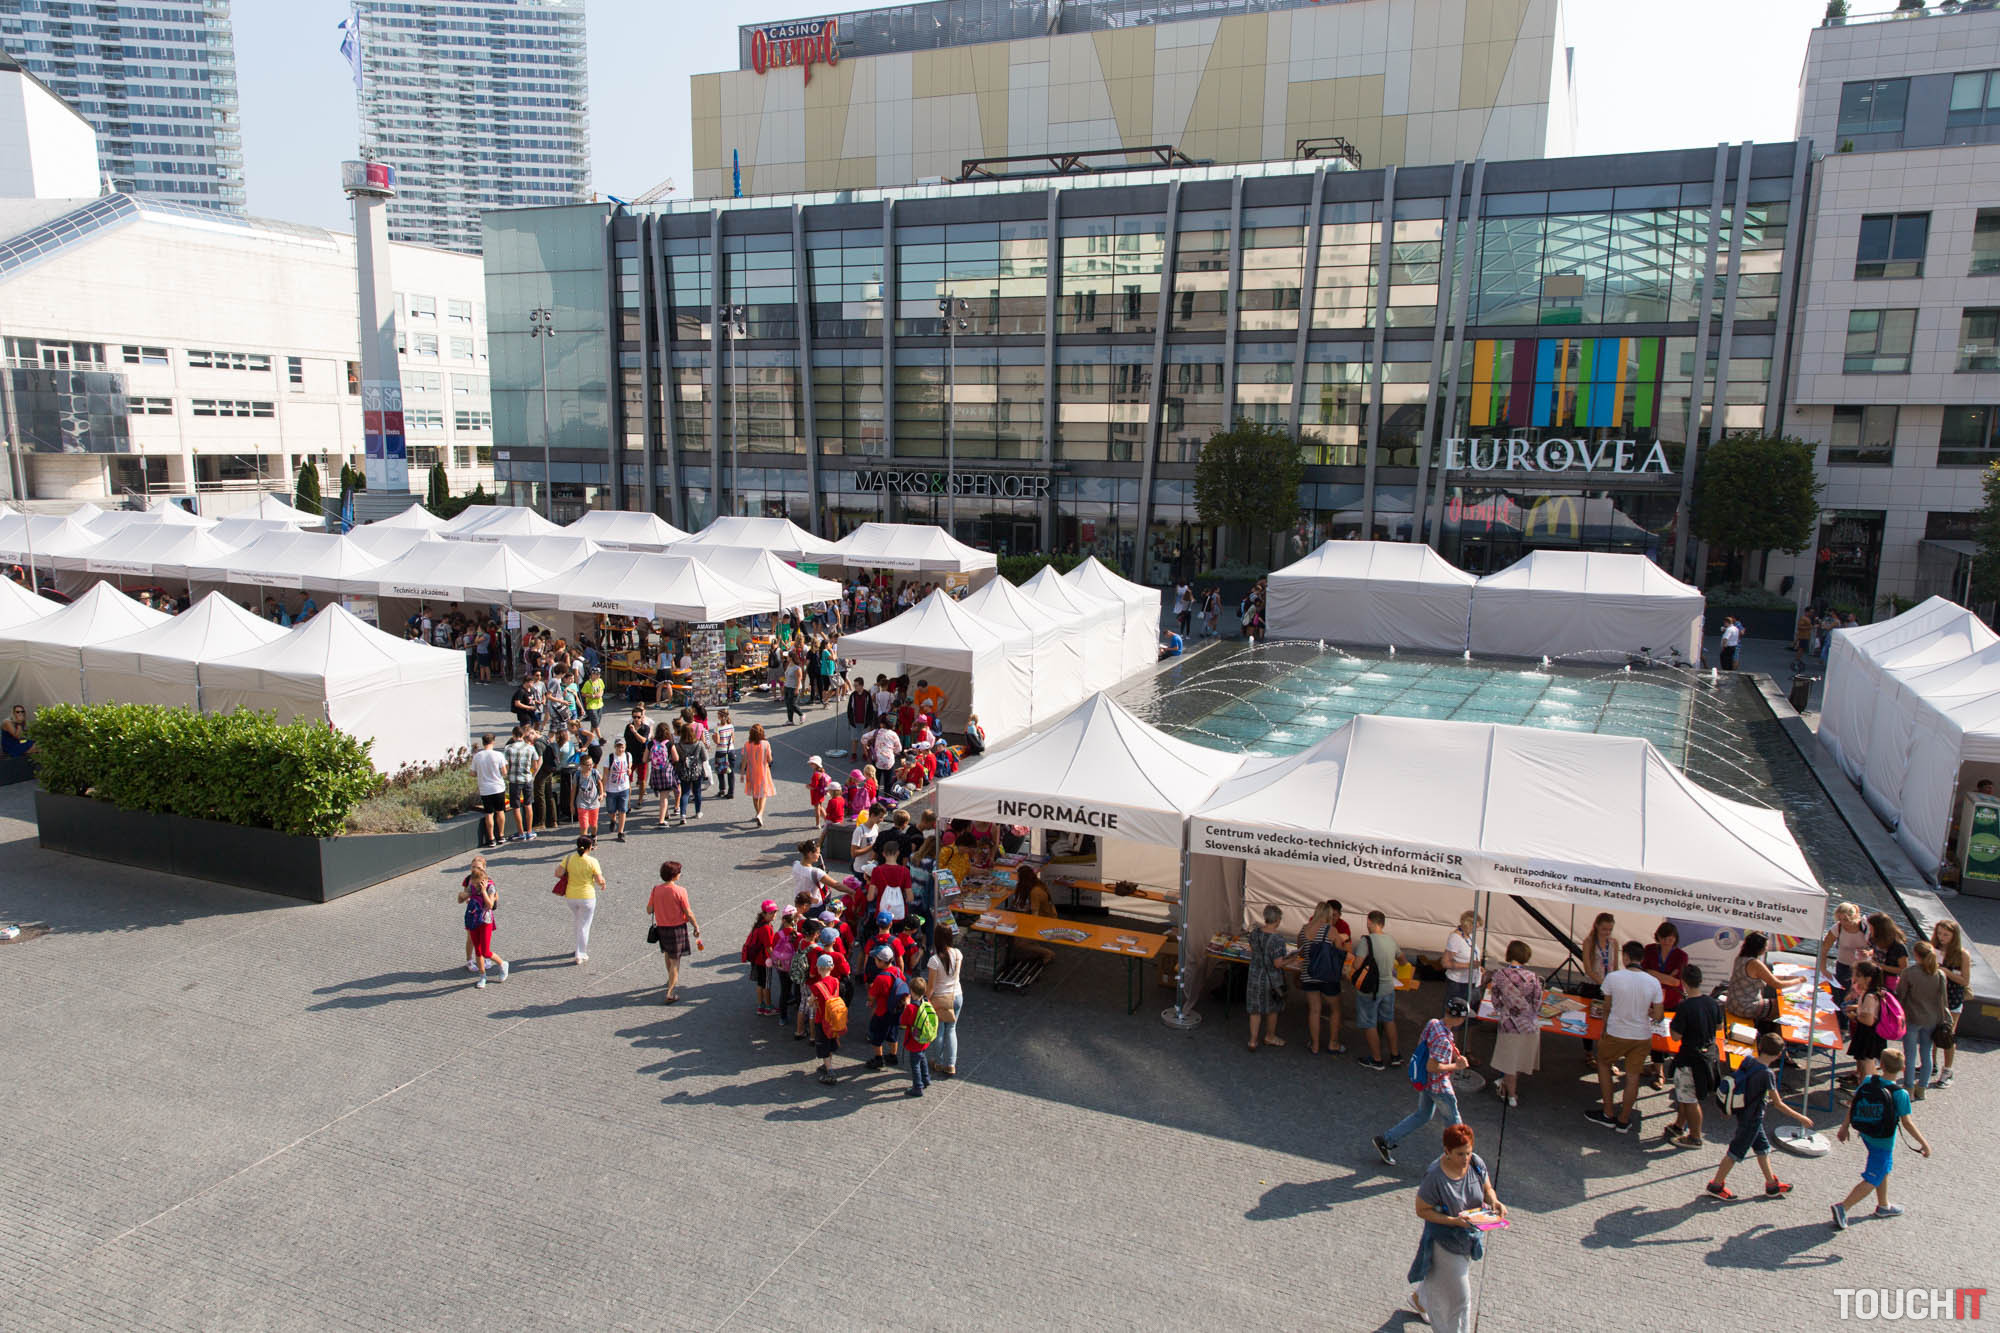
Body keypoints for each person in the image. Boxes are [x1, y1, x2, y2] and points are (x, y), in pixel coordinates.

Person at [1405, 1123, 1506, 1333]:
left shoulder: (1476, 1163)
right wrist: (1453, 1221)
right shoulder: (1435, 1177)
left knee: (1443, 1278)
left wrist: (1494, 1201)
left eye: (1468, 1152)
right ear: (1447, 1151)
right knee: (1461, 1299)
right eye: (1460, 1154)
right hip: (1445, 1242)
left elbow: (1487, 1188)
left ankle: (1420, 1299)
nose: (1466, 1158)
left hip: (1468, 1237)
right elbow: (1422, 1210)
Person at [1705, 1032, 1814, 1200]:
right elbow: (1778, 1103)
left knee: (1762, 1149)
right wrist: (1801, 1118)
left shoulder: (1748, 1060)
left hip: (1744, 1113)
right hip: (1752, 1119)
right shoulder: (1767, 1074)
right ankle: (1716, 1185)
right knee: (1734, 1152)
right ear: (1779, 1054)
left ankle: (1772, 1185)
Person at [1830, 1049, 1931, 1229]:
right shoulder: (1900, 1094)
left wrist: (1844, 1127)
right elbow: (1907, 1123)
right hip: (1883, 1141)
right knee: (1873, 1177)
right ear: (1903, 1069)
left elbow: (1854, 1104)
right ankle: (1843, 1207)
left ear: (1881, 1065)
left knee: (1882, 1169)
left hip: (1866, 1133)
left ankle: (1883, 1206)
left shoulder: (1868, 1080)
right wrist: (1924, 1143)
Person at [1373, 997, 1471, 1166]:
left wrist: (1454, 1054)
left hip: (1426, 1083)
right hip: (1439, 1087)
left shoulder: (1434, 1024)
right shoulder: (1443, 1041)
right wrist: (1456, 1065)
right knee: (1455, 1125)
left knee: (1422, 1115)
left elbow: (1426, 1046)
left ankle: (1386, 1140)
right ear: (1459, 1018)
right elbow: (1432, 1066)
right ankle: (1461, 1160)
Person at [1586, 941, 1665, 1134]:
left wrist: (1604, 1031)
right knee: (1632, 1076)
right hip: (1641, 1035)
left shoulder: (1613, 977)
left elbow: (1607, 1007)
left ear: (1626, 957)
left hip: (1616, 1032)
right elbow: (1658, 1016)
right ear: (1642, 959)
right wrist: (1646, 1011)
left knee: (1604, 1064)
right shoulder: (1653, 982)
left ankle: (1608, 1112)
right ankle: (1623, 1119)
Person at [1665, 964, 1723, 1148]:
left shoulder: (1685, 1007)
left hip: (1690, 1058)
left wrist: (1673, 1025)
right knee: (1684, 1095)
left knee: (1690, 1099)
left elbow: (1676, 1036)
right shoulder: (1712, 1003)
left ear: (1683, 983)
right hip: (1708, 1056)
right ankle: (1679, 1125)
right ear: (1701, 980)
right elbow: (1719, 1026)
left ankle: (1695, 1137)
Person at [1486, 941, 1543, 1109]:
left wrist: (1504, 1009)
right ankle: (1507, 1088)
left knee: (1509, 1061)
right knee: (1519, 1061)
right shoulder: (1533, 977)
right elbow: (1537, 1003)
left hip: (1509, 1024)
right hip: (1528, 1024)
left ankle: (1511, 1095)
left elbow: (1495, 1000)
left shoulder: (1499, 975)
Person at [1350, 910, 1404, 1070]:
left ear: (1369, 922)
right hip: (1388, 988)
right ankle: (1395, 1055)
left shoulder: (1366, 941)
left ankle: (1377, 1059)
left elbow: (1357, 965)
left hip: (1370, 989)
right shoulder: (1391, 939)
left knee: (1369, 1023)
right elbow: (1402, 960)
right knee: (1389, 1020)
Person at [1296, 900, 1351, 1055]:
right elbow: (1340, 950)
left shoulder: (1304, 929)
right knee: (1335, 1010)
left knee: (1314, 1010)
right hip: (1328, 975)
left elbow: (1300, 952)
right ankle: (1333, 1044)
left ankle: (1314, 1045)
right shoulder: (1331, 930)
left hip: (1309, 974)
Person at [1897, 941, 1949, 1098]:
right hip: (1932, 1019)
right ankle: (1922, 1088)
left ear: (1916, 955)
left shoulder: (1909, 973)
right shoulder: (1939, 974)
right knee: (1926, 1053)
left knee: (1910, 1055)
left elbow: (1901, 995)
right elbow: (1943, 1000)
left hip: (1912, 1017)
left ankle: (1908, 1087)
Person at [1640, 922, 1688, 1088]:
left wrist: (1654, 973)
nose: (1667, 942)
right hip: (1651, 999)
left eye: (1671, 939)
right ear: (1658, 937)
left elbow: (1676, 982)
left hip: (1671, 1001)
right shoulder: (1649, 950)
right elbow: (1643, 972)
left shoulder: (1681, 956)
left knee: (1664, 1034)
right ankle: (1658, 1068)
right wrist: (1666, 976)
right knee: (1653, 1033)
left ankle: (1658, 1067)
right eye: (1664, 938)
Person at [646, 860, 700, 1003]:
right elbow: (688, 912)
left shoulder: (656, 889)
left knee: (667, 953)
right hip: (677, 929)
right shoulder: (680, 891)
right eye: (679, 872)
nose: (680, 874)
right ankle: (670, 992)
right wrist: (696, 926)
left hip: (662, 928)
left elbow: (649, 910)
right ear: (674, 875)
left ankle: (669, 978)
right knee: (675, 961)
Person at [455, 855, 508, 985]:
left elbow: (490, 905)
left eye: (478, 867)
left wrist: (483, 891)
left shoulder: (490, 885)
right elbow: (461, 898)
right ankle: (482, 976)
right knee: (478, 951)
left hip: (485, 920)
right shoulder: (470, 881)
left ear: (484, 868)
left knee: (485, 951)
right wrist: (464, 896)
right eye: (473, 867)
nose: (474, 870)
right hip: (473, 918)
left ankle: (502, 964)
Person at [1244, 905, 1290, 1051]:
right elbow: (1278, 963)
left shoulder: (1255, 933)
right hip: (1272, 979)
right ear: (1277, 919)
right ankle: (1270, 1036)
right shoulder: (1278, 939)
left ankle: (1252, 1041)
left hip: (1254, 975)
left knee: (1255, 1010)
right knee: (1272, 1009)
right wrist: (1291, 959)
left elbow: (1253, 949)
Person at [1931, 919, 1970, 1087]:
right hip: (1934, 997)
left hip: (1953, 998)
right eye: (1939, 933)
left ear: (1954, 936)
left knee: (1947, 1035)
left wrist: (1946, 972)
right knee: (1930, 1033)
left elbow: (1965, 980)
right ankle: (1931, 1064)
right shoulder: (1933, 949)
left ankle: (1947, 1070)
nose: (1942, 937)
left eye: (1946, 935)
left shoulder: (1962, 954)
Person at [1725, 930, 1784, 1036]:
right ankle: (1774, 1038)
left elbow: (1767, 977)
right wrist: (1799, 980)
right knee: (1780, 1007)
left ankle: (1766, 1030)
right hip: (1745, 1007)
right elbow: (1777, 984)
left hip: (1732, 1003)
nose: (1766, 948)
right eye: (1765, 946)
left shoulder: (1740, 958)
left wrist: (1788, 978)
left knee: (1772, 1004)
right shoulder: (1755, 963)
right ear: (1759, 948)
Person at [558, 834, 605, 964]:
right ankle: (580, 953)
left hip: (571, 896)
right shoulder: (592, 861)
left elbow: (558, 873)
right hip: (587, 897)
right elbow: (599, 880)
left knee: (578, 921)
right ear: (589, 847)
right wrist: (603, 883)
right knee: (584, 925)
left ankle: (578, 947)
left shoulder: (568, 858)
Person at [926, 923, 964, 1078]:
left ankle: (938, 1062)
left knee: (939, 1030)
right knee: (952, 1029)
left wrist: (925, 1000)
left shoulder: (934, 960)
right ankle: (951, 1064)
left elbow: (931, 986)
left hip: (941, 998)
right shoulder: (958, 954)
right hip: (957, 995)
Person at [1577, 911, 1618, 1057]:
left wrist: (1615, 984)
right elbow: (1588, 969)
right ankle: (1588, 1052)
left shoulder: (1613, 942)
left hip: (1609, 986)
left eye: (1610, 929)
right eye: (1604, 929)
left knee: (1608, 1021)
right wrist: (1604, 984)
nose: (1607, 932)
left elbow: (1615, 967)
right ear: (1596, 926)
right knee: (1590, 1019)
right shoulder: (1589, 942)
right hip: (1592, 985)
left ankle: (1604, 1053)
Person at [1844, 959, 1890, 1084]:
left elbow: (1869, 1020)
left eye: (1858, 976)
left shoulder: (1870, 996)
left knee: (1867, 1069)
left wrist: (1855, 1016)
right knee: (1864, 1067)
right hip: (1868, 1034)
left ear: (1868, 979)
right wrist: (1856, 1008)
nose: (1854, 979)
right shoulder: (1871, 992)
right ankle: (1862, 1089)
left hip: (1869, 1036)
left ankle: (1869, 1091)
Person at [1819, 901, 1869, 1012]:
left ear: (1854, 916)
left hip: (1863, 968)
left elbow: (1878, 947)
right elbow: (1824, 948)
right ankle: (1841, 1018)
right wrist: (1823, 968)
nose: (1843, 923)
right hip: (1843, 966)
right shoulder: (1838, 928)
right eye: (1840, 919)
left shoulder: (1865, 927)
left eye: (1846, 919)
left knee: (1859, 997)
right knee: (1842, 996)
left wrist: (1868, 952)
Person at [866, 944, 910, 1070]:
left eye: (876, 959)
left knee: (876, 1034)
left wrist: (870, 1000)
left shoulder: (880, 978)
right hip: (896, 1010)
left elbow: (872, 997)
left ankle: (878, 1058)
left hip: (882, 1012)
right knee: (893, 1033)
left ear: (881, 962)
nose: (874, 961)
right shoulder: (897, 970)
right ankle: (892, 1055)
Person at [809, 953, 845, 1085]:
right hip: (834, 1019)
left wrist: (811, 1001)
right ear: (832, 967)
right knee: (830, 1043)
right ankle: (827, 1064)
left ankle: (830, 1072)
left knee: (823, 1046)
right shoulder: (836, 981)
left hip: (822, 1020)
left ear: (818, 968)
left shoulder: (817, 986)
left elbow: (811, 1002)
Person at [470, 733, 508, 849]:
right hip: (498, 787)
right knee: (500, 811)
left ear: (483, 742)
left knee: (489, 813)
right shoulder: (499, 755)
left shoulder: (477, 756)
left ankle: (491, 838)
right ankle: (501, 835)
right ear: (493, 742)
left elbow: (472, 773)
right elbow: (504, 772)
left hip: (485, 788)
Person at [502, 725, 539, 843]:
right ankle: (529, 831)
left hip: (514, 780)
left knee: (516, 806)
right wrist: (531, 773)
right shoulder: (530, 748)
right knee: (528, 804)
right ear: (523, 735)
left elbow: (506, 765)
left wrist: (508, 774)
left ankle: (521, 832)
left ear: (513, 735)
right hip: (527, 779)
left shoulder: (508, 748)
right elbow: (535, 765)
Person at [741, 900, 778, 1016]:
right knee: (767, 984)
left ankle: (760, 1006)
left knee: (760, 983)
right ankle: (768, 1007)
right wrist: (776, 960)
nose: (774, 914)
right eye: (771, 912)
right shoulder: (766, 928)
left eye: (775, 912)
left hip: (756, 959)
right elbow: (769, 948)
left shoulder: (759, 924)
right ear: (764, 913)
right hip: (765, 960)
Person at [901, 976, 935, 1097]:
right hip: (924, 1039)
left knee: (914, 1063)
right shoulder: (926, 1002)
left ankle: (917, 1087)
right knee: (922, 1057)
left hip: (914, 1041)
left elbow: (903, 1021)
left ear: (912, 991)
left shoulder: (911, 1008)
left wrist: (906, 1005)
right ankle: (926, 1079)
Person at [1443, 910, 1483, 1012]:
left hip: (1471, 980)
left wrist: (1478, 966)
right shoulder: (1455, 938)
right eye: (1475, 928)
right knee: (1455, 1012)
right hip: (1458, 984)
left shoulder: (1469, 935)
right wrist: (1468, 965)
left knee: (1468, 1012)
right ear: (1468, 925)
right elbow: (1445, 963)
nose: (1475, 930)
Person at [671, 722, 705, 824]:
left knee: (685, 793)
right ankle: (698, 812)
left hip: (684, 771)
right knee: (697, 792)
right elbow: (704, 757)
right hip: (697, 771)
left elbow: (675, 759)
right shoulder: (699, 744)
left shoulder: (678, 746)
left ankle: (683, 815)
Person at [1866, 912, 1910, 990]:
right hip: (1874, 976)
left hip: (1889, 981)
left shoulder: (1898, 946)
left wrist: (1881, 966)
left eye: (1871, 928)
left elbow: (1903, 970)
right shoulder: (1874, 938)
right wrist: (1868, 953)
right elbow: (1874, 950)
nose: (1869, 930)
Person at [743, 723, 775, 826]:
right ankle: (760, 814)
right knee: (763, 794)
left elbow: (744, 759)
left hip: (751, 772)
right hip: (763, 771)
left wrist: (742, 773)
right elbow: (769, 759)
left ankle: (758, 813)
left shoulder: (747, 744)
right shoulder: (766, 744)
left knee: (755, 794)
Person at [603, 738, 633, 843]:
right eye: (618, 747)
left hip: (624, 788)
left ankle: (621, 832)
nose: (620, 749)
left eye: (622, 747)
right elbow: (605, 775)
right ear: (615, 747)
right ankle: (613, 819)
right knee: (611, 810)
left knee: (623, 810)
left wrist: (629, 769)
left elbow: (630, 764)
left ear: (625, 747)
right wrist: (603, 790)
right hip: (611, 789)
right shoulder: (610, 758)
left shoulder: (628, 755)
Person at [572, 753, 603, 838]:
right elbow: (573, 790)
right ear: (582, 765)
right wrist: (571, 804)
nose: (590, 766)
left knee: (593, 824)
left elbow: (600, 783)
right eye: (588, 765)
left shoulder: (594, 772)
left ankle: (593, 837)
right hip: (582, 803)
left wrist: (601, 794)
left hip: (594, 802)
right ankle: (584, 842)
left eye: (591, 764)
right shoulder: (577, 775)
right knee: (584, 825)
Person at [711, 707, 736, 799]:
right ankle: (731, 792)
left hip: (721, 751)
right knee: (731, 772)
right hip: (730, 750)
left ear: (720, 716)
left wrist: (713, 737)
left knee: (720, 771)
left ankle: (722, 789)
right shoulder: (731, 726)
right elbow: (733, 739)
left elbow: (717, 741)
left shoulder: (717, 728)